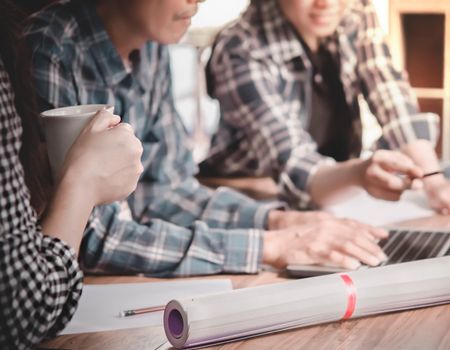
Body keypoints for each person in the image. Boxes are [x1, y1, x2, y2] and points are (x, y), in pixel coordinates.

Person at [24, 0, 390, 276]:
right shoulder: (49, 51)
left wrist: (280, 222)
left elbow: (165, 192)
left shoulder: (152, 48)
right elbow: (95, 240)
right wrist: (269, 246)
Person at [203, 0, 450, 217]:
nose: (326, 3)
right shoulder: (240, 48)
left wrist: (434, 181)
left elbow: (388, 91)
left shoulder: (354, 10)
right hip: (257, 194)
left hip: (338, 187)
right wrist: (359, 173)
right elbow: (296, 167)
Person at [0, 1, 143, 348]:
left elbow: (171, 187)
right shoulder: (48, 45)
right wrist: (82, 180)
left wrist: (270, 226)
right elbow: (21, 311)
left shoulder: (153, 53)